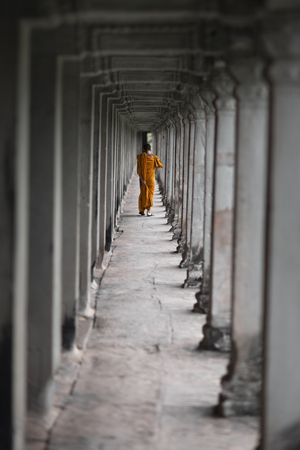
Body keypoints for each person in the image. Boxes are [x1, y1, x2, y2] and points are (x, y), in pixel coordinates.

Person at [137, 143, 163, 216]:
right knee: (150, 194)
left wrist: (142, 179)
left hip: (143, 178)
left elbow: (139, 170)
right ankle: (149, 211)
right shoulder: (154, 157)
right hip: (151, 179)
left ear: (143, 149)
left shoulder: (140, 157)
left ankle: (142, 210)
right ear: (150, 150)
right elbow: (160, 165)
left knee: (143, 193)